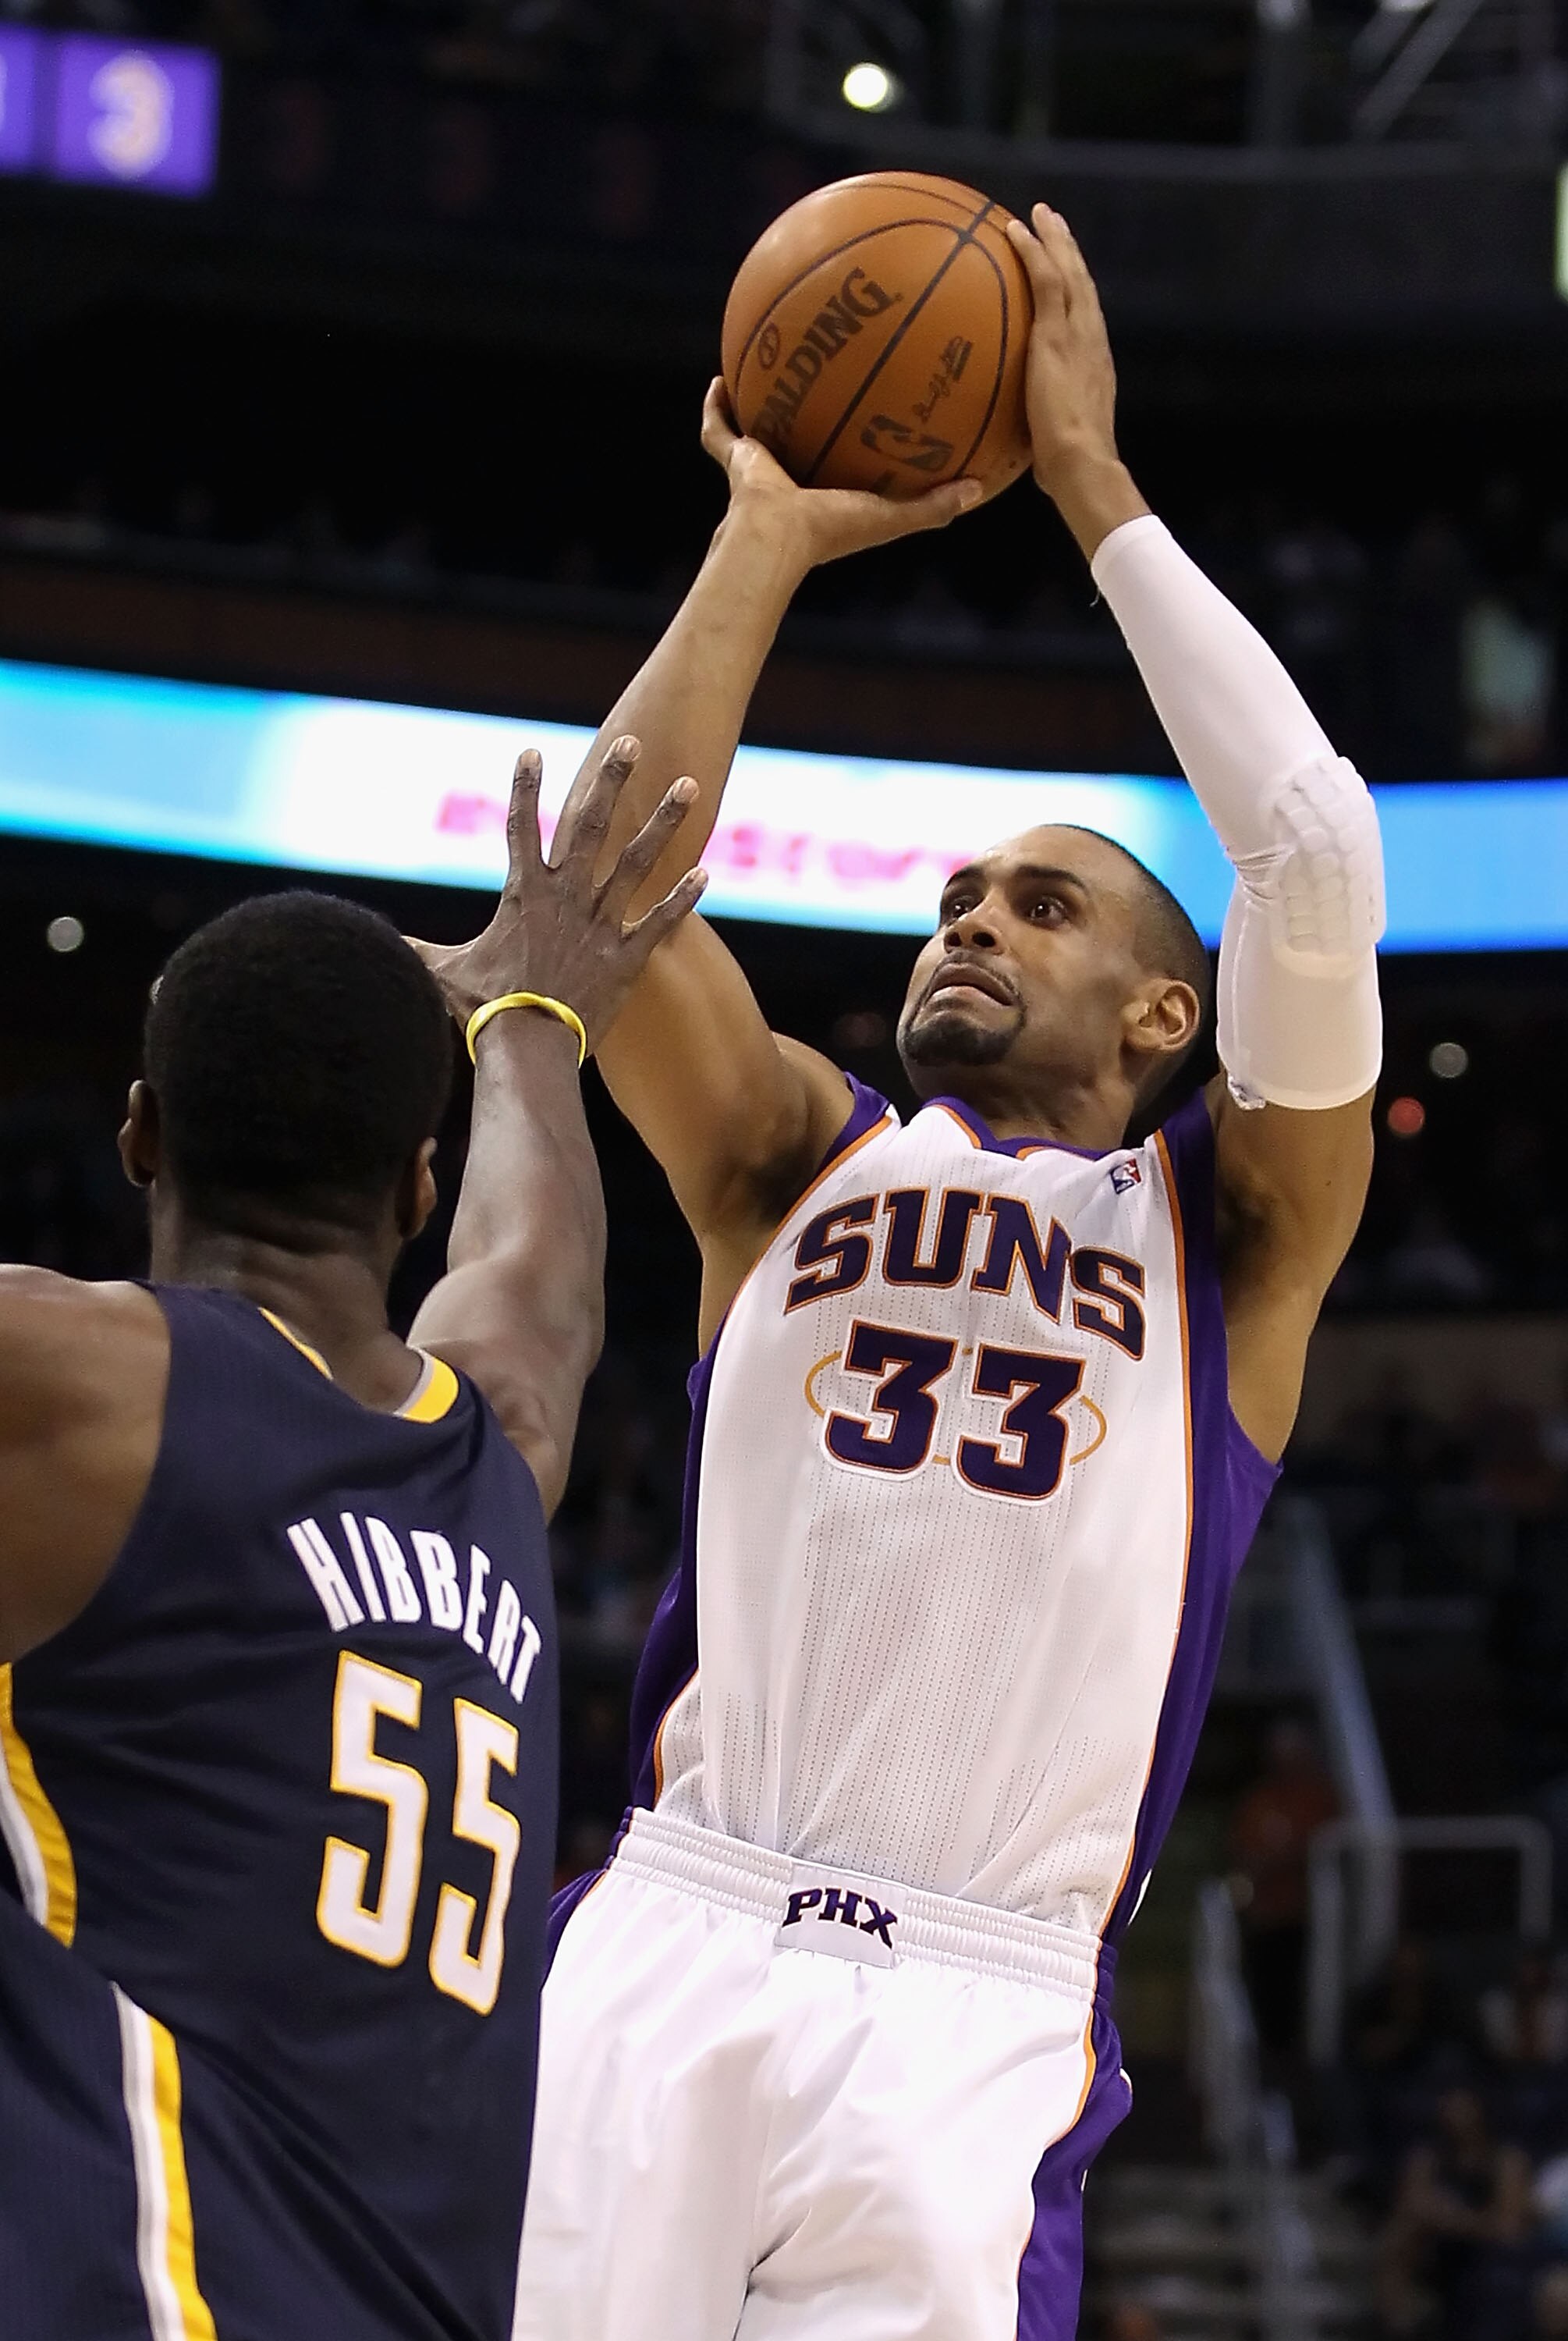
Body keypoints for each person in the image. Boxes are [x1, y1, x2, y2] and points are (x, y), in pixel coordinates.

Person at [513, 206, 1384, 2339]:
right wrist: (767, 539)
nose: (969, 922)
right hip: (674, 1925)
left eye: (1043, 907)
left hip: (976, 2010)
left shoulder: (1225, 1242)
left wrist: (1089, 480)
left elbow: (1315, 856)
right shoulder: (787, 1154)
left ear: (1172, 1018)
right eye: (955, 897)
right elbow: (591, 902)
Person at [0, 741, 703, 2338]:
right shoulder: (496, 1456)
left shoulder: (75, 1386)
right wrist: (533, 1020)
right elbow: (542, 1276)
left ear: (138, 1139)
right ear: (413, 1184)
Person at [1376, 2087, 1532, 2338]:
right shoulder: (1428, 2157)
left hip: (1487, 2251)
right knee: (1399, 2237)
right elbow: (1412, 2207)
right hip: (1437, 2247)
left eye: (1463, 2106)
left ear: (1480, 2110)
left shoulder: (1506, 2159)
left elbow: (1508, 2227)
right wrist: (1449, 2218)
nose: (1455, 2114)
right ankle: (1399, 2326)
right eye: (1449, 2105)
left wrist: (1453, 2217)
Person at [1228, 1715, 1339, 2055]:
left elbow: (1322, 1848)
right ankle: (1267, 2054)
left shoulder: (1318, 1797)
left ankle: (1300, 2056)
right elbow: (1242, 1853)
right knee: (1264, 1990)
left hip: (1306, 1917)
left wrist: (1283, 1859)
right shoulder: (1258, 1803)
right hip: (1264, 1916)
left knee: (1302, 1992)